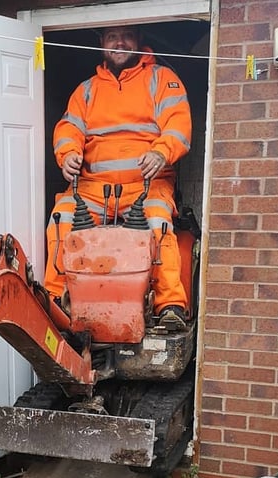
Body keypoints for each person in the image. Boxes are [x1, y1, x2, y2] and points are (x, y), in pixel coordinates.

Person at [44, 25, 192, 331]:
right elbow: (68, 128)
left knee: (157, 222)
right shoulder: (86, 90)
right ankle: (55, 300)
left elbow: (178, 124)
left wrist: (161, 152)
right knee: (62, 218)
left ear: (139, 39)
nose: (119, 42)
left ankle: (170, 305)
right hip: (94, 189)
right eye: (112, 36)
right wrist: (68, 153)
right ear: (101, 43)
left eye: (126, 35)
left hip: (147, 184)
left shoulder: (162, 79)